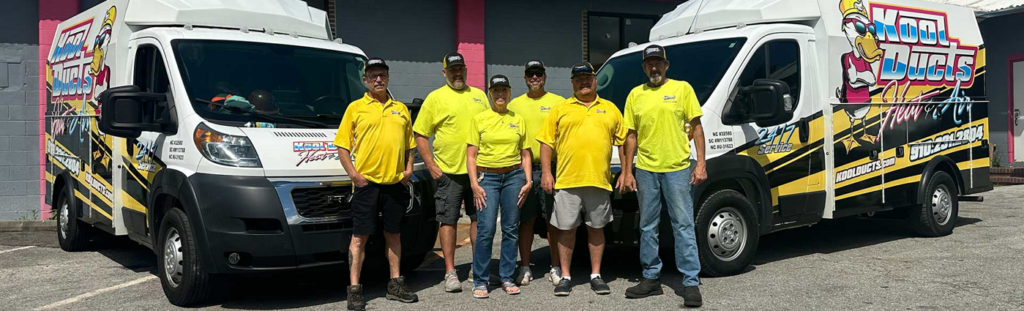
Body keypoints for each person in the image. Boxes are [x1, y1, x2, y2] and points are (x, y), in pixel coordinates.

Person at [617, 45, 707, 308]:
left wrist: (700, 164)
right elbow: (630, 135)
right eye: (649, 64)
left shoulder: (682, 89)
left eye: (658, 63)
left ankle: (690, 282)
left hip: (678, 167)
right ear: (644, 68)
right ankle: (650, 278)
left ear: (666, 66)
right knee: (647, 226)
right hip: (646, 169)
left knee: (683, 225)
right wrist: (626, 171)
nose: (654, 68)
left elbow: (697, 127)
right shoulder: (635, 94)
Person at [334, 58, 419, 311]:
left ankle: (395, 284)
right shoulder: (355, 108)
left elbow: (410, 144)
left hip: (394, 184)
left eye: (382, 75)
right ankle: (355, 290)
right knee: (359, 237)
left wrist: (409, 168)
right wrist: (354, 175)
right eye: (373, 76)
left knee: (393, 234)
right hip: (366, 184)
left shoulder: (401, 109)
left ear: (388, 78)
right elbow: (342, 146)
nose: (378, 79)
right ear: (365, 80)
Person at [537, 62, 626, 297]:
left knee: (596, 229)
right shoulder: (560, 108)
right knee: (566, 230)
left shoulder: (610, 109)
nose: (584, 82)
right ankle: (565, 277)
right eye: (579, 79)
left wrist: (626, 171)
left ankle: (596, 275)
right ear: (572, 83)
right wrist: (547, 172)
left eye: (588, 78)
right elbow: (546, 142)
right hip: (567, 181)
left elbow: (624, 141)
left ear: (595, 81)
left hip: (599, 181)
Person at [412, 52, 490, 293]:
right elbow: (420, 134)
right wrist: (432, 165)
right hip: (449, 173)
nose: (458, 73)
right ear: (444, 72)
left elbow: (490, 127)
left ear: (466, 70)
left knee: (480, 219)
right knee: (449, 220)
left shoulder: (479, 96)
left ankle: (479, 269)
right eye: (453, 69)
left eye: (461, 69)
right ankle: (450, 272)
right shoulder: (435, 98)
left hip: (478, 172)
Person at [466, 74, 532, 298]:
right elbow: (471, 155)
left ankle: (506, 276)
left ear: (509, 93)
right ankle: (481, 280)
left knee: (511, 228)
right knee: (485, 230)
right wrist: (474, 184)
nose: (500, 94)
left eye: (504, 90)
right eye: (496, 91)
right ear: (490, 94)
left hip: (514, 177)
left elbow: (525, 153)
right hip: (488, 179)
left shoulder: (518, 119)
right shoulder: (479, 119)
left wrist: (529, 180)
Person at [507, 60, 565, 286]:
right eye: (530, 74)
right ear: (524, 78)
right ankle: (524, 267)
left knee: (553, 219)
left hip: (552, 168)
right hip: (523, 170)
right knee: (526, 220)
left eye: (538, 73)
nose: (534, 77)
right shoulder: (515, 104)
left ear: (545, 76)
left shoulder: (558, 102)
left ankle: (556, 266)